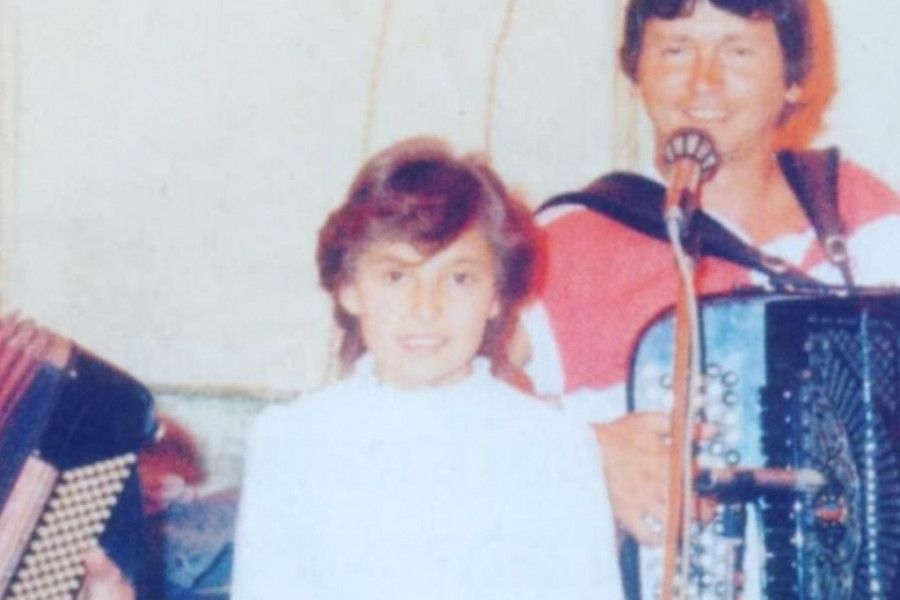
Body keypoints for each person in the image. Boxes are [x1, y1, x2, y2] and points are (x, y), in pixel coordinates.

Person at [521, 0, 900, 548]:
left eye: (738, 52)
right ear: (637, 69)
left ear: (793, 78)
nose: (703, 82)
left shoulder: (858, 211)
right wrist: (585, 450)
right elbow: (449, 404)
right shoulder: (563, 245)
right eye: (675, 51)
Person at [231, 138, 623, 599]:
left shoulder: (555, 446)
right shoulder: (293, 439)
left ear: (497, 295)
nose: (426, 307)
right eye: (396, 276)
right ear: (349, 288)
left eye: (459, 279)